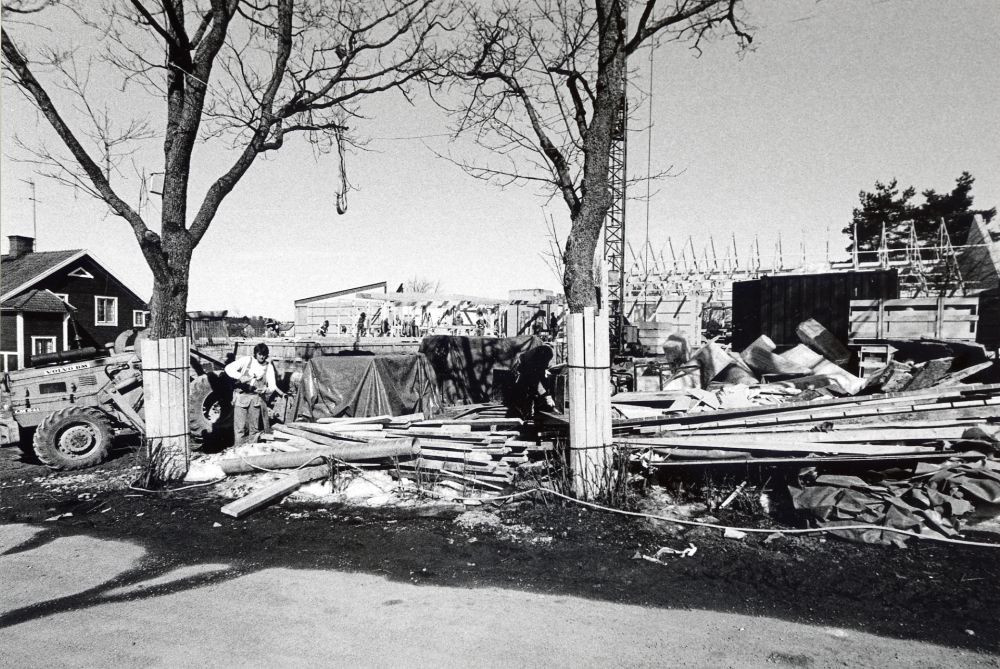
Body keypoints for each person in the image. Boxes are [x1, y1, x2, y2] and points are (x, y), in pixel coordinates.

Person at [225, 342, 284, 447]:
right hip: (241, 398)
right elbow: (228, 368)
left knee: (254, 429)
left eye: (264, 354)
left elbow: (273, 386)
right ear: (255, 354)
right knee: (240, 428)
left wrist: (266, 390)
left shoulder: (268, 367)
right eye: (260, 354)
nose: (262, 356)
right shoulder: (247, 360)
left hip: (256, 400)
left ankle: (252, 451)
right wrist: (239, 376)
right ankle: (238, 451)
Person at [510, 343, 557, 419]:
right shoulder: (531, 362)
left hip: (529, 371)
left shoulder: (541, 354)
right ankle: (526, 416)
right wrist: (546, 396)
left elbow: (541, 374)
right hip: (523, 376)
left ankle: (529, 413)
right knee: (526, 396)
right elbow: (535, 381)